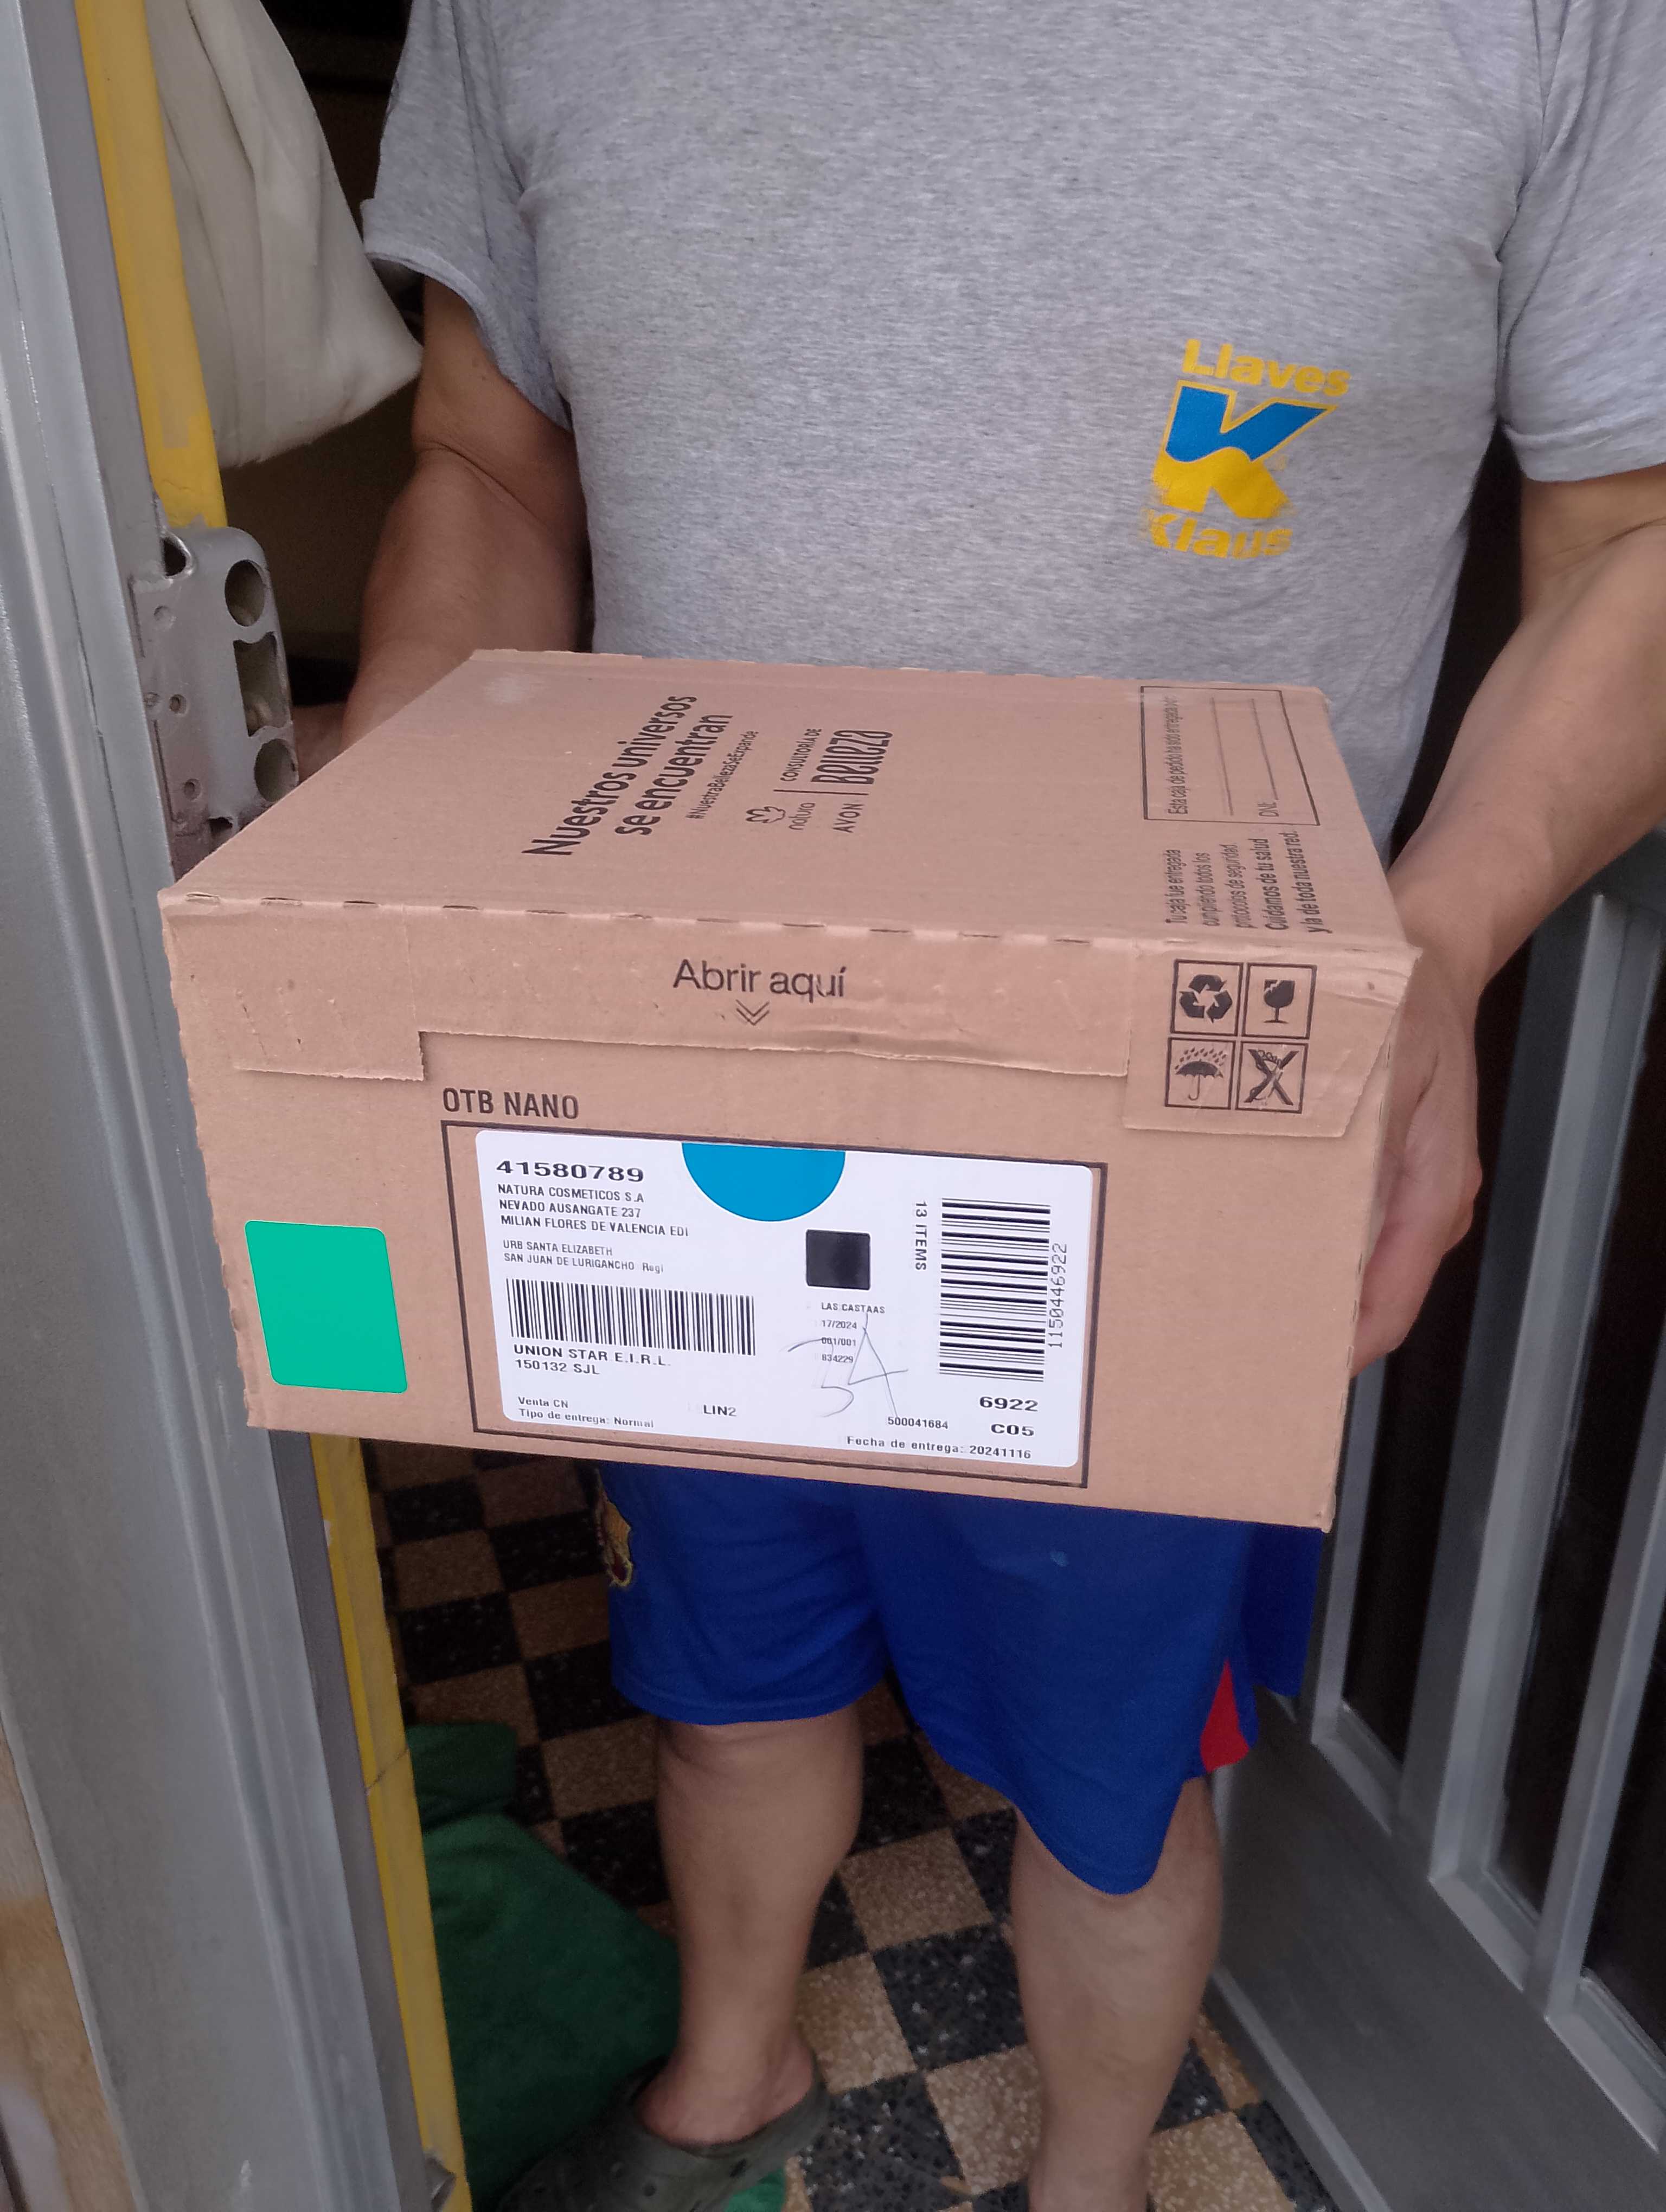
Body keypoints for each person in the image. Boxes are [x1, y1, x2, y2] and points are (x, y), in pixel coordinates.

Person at [337, 9, 1666, 2209]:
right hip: (681, 1094)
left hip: (1167, 1139)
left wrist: (1438, 941)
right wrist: (388, 859)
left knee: (1113, 1787)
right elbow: (489, 458)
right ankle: (730, 2082)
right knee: (724, 1679)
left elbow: (1631, 535)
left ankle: (1093, 2179)